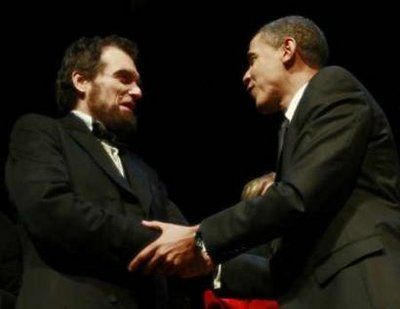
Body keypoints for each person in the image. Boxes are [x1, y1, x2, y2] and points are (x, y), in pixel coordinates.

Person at [128, 16, 400, 308]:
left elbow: (296, 197)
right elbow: (286, 266)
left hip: (357, 285)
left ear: (287, 49)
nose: (246, 75)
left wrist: (200, 236)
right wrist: (210, 264)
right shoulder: (290, 129)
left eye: (253, 59)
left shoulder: (333, 86)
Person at [5, 35, 194, 308]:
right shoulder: (40, 131)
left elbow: (183, 233)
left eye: (138, 82)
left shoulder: (144, 170)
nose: (138, 91)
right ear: (81, 81)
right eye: (124, 78)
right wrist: (159, 243)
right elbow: (52, 211)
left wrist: (205, 246)